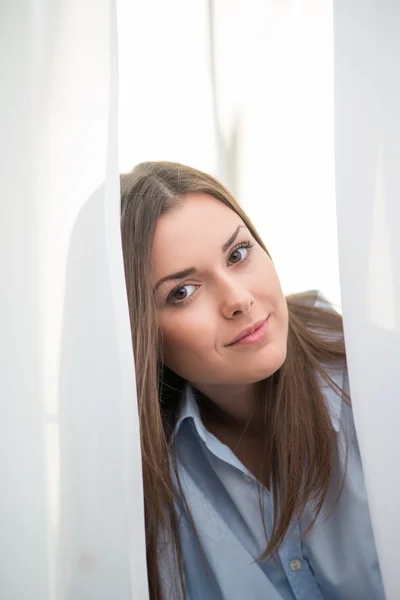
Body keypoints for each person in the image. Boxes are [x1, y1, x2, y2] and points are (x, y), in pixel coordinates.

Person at [120, 161, 384, 600]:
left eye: (238, 254)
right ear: (140, 334)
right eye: (182, 292)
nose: (239, 300)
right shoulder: (145, 477)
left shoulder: (377, 379)